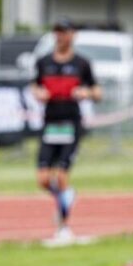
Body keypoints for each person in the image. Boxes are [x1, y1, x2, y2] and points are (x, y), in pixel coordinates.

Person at [30, 18, 102, 240]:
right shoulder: (43, 62)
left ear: (73, 35)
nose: (60, 36)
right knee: (43, 179)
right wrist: (38, 93)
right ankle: (68, 196)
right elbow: (35, 84)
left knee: (61, 177)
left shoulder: (82, 64)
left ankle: (64, 226)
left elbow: (98, 92)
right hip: (50, 124)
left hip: (71, 125)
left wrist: (86, 93)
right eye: (57, 32)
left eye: (65, 32)